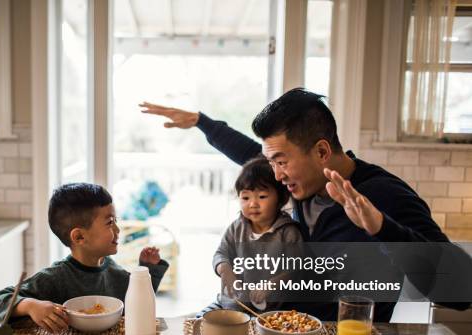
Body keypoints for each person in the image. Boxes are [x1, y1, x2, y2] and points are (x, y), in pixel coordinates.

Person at [140, 88, 470, 321]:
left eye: (281, 162)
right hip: (273, 326)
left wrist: (382, 228)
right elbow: (249, 154)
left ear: (322, 151)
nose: (276, 175)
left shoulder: (385, 196)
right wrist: (203, 122)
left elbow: (460, 291)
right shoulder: (303, 179)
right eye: (273, 163)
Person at [0, 183, 169, 333]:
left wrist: (146, 269)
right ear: (79, 237)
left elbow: (139, 302)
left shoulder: (113, 271)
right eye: (109, 223)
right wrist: (30, 305)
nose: (118, 230)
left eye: (116, 221)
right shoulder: (55, 278)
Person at [203, 157, 303, 315]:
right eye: (245, 197)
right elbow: (221, 253)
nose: (253, 204)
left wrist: (273, 284)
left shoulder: (288, 232)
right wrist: (224, 268)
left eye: (262, 197)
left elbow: (299, 268)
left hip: (271, 312)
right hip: (230, 304)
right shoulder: (237, 228)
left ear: (281, 199)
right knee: (200, 321)